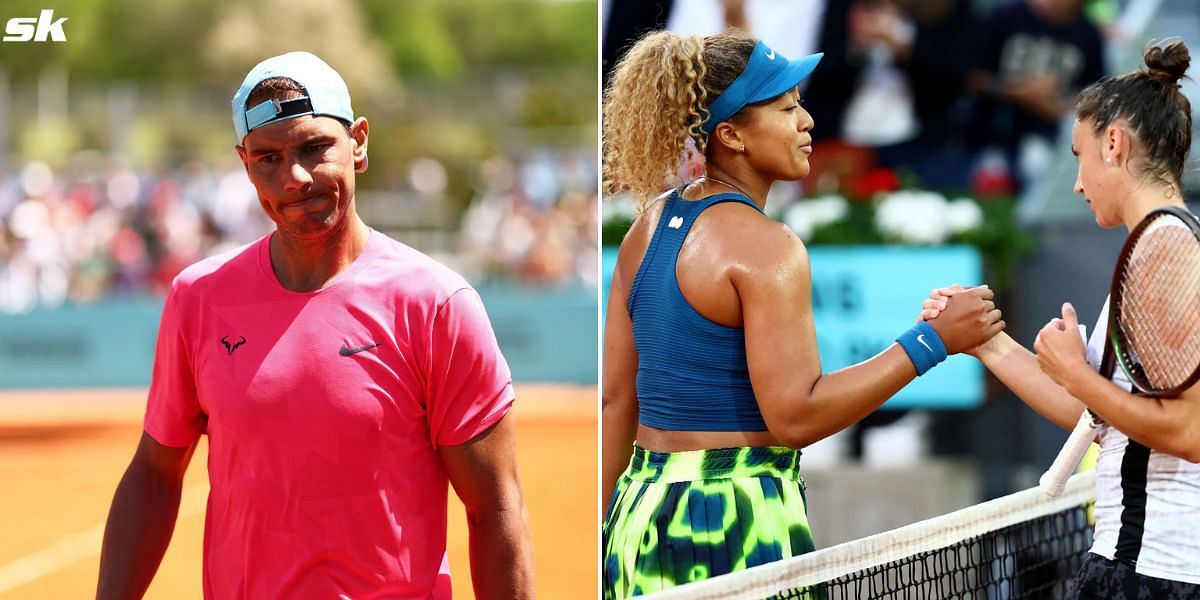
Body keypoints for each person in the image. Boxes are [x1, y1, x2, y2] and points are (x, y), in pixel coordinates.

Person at [96, 52, 535, 599]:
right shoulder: (198, 299)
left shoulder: (437, 304)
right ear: (244, 163)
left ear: (360, 142)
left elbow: (495, 507)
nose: (295, 177)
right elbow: (155, 476)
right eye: (268, 158)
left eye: (314, 148)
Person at [601, 30, 1003, 597]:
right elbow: (796, 416)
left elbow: (617, 399)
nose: (807, 122)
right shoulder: (769, 246)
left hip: (637, 515)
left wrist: (606, 526)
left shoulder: (646, 227)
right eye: (787, 108)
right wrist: (931, 341)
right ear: (732, 134)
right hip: (737, 519)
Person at [926, 40, 1200, 597]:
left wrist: (1074, 371)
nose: (1077, 183)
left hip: (1157, 571)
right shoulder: (1160, 244)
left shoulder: (1164, 249)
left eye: (1079, 154)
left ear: (1114, 144)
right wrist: (987, 343)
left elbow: (1191, 431)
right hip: (1141, 563)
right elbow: (1095, 416)